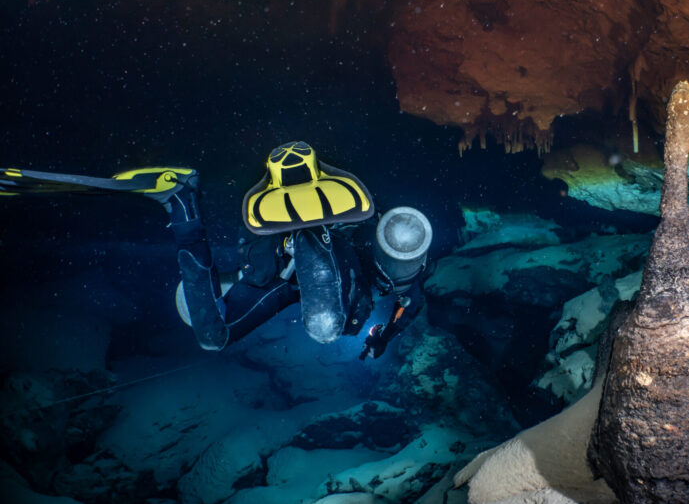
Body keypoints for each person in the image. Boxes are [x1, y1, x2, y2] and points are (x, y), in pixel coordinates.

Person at [1, 141, 430, 358]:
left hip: (282, 276)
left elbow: (406, 304)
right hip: (311, 255)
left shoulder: (380, 281)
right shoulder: (381, 273)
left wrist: (382, 335)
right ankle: (309, 235)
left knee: (213, 337)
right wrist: (385, 336)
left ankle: (180, 199)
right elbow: (406, 304)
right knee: (331, 326)